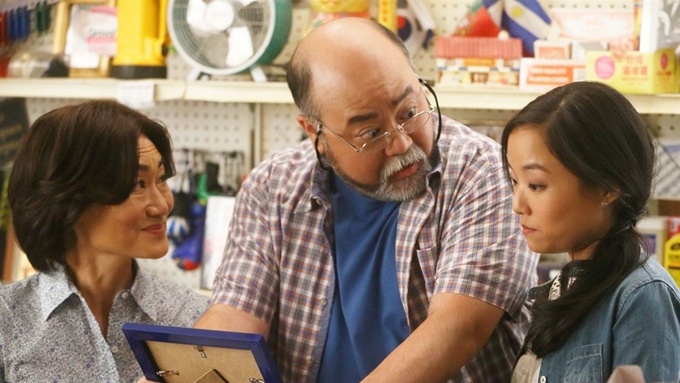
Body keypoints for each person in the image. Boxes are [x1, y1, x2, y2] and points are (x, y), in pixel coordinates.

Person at [195, 17, 537, 383]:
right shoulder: (272, 187)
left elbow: (458, 329)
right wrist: (189, 371)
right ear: (315, 131)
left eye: (409, 111)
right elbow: (236, 314)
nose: (402, 143)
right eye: (371, 132)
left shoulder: (482, 171)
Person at [0, 100, 210, 383]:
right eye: (138, 184)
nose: (161, 205)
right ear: (70, 201)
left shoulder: (195, 318)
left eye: (161, 179)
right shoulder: (7, 321)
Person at [502, 81, 680, 383]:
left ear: (606, 187)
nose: (518, 205)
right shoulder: (564, 288)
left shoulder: (642, 297)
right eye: (513, 181)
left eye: (535, 185)